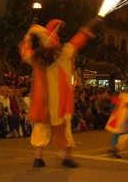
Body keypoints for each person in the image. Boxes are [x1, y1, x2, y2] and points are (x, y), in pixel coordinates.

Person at [19, 16, 103, 168]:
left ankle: (38, 158)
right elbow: (76, 43)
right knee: (63, 129)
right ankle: (66, 158)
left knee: (41, 129)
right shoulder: (64, 53)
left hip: (43, 104)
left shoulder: (36, 58)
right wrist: (84, 32)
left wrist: (28, 37)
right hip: (59, 104)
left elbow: (25, 52)